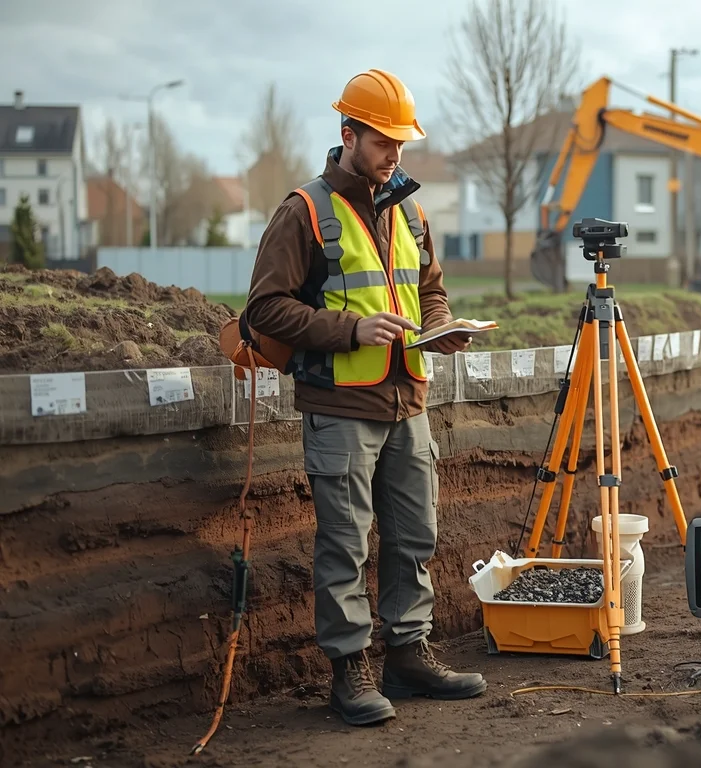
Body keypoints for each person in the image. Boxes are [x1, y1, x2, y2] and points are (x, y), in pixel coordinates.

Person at [243, 68, 487, 727]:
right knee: (344, 546)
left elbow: (428, 285)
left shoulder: (410, 208)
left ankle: (408, 656)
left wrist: (438, 328)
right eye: (384, 142)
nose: (395, 155)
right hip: (341, 408)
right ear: (348, 134)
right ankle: (349, 673)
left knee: (414, 536)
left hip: (408, 403)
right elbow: (265, 309)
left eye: (402, 143)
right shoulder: (304, 211)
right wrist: (350, 328)